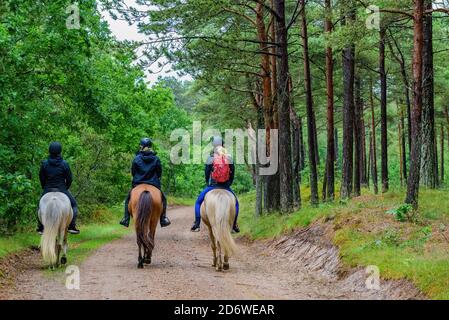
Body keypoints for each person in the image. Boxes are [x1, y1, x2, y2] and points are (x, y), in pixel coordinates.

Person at [191, 136, 240, 233]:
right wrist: (228, 184)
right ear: (223, 145)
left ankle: (197, 224)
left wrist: (208, 184)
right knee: (236, 204)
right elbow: (232, 173)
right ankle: (234, 226)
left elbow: (206, 173)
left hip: (212, 186)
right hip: (226, 186)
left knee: (198, 202)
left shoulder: (210, 158)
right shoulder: (229, 157)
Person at [120, 138, 171, 228]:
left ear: (141, 146)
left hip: (138, 183)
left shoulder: (136, 159)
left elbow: (133, 172)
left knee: (128, 199)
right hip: (153, 183)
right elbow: (159, 173)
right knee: (163, 199)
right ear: (150, 147)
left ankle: (126, 218)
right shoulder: (156, 159)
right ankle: (163, 219)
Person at [37, 142, 80, 235]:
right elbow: (69, 178)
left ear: (50, 151)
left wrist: (45, 187)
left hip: (48, 189)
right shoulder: (64, 164)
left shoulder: (44, 163)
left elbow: (41, 178)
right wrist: (66, 188)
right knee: (74, 206)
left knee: (39, 206)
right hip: (62, 189)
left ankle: (41, 227)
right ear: (60, 151)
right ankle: (72, 226)